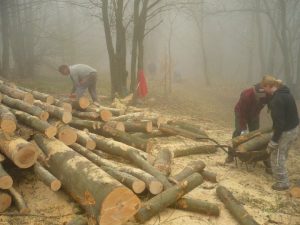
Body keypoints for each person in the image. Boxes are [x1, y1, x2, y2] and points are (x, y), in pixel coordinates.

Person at [262, 75, 299, 191]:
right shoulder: (286, 93)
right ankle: (282, 175)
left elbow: (279, 125)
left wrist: (273, 141)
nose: (264, 90)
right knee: (282, 154)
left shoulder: (277, 100)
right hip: (294, 128)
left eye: (264, 87)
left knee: (276, 155)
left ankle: (283, 182)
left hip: (286, 131)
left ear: (269, 86)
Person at [226, 83, 270, 163]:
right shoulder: (246, 95)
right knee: (238, 131)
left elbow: (271, 100)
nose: (261, 98)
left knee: (256, 134)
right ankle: (230, 155)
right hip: (241, 113)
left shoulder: (266, 94)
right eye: (259, 96)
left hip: (254, 115)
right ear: (255, 92)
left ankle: (251, 156)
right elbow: (242, 113)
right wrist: (243, 128)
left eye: (263, 96)